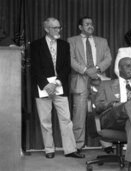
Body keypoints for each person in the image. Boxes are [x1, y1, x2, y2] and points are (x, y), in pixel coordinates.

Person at [30, 17, 84, 158]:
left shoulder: (65, 45)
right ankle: (49, 149)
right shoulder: (36, 45)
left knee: (66, 119)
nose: (58, 30)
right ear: (46, 29)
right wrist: (46, 85)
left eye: (59, 27)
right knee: (45, 120)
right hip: (43, 88)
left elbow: (66, 67)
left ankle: (70, 149)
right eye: (55, 27)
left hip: (60, 86)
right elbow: (35, 68)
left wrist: (57, 82)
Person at [67, 16, 112, 151]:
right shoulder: (72, 41)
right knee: (79, 113)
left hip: (99, 79)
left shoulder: (102, 41)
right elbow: (71, 59)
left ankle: (107, 143)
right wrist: (86, 70)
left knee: (104, 111)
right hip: (80, 79)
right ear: (80, 27)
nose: (90, 26)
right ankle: (78, 145)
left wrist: (96, 69)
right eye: (87, 24)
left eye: (91, 24)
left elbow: (108, 58)